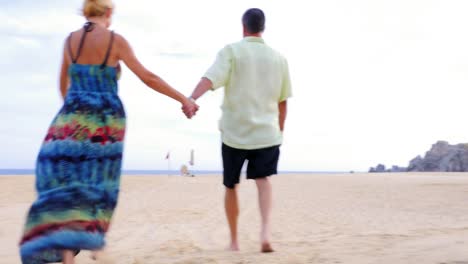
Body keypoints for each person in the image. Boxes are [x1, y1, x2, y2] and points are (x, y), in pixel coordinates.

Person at [19, 1, 198, 263]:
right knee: (99, 185)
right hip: (105, 126)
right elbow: (148, 77)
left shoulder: (70, 41)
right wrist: (184, 99)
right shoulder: (115, 41)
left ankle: (69, 256)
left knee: (69, 187)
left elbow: (62, 86)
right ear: (109, 12)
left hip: (71, 122)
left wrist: (76, 114)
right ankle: (95, 244)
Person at [188, 8, 292, 253]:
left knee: (231, 185)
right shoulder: (279, 58)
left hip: (235, 133)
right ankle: (265, 234)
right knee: (263, 181)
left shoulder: (232, 51)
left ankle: (234, 241)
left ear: (243, 27)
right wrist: (280, 131)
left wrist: (192, 98)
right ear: (262, 27)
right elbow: (283, 101)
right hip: (267, 133)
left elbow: (210, 78)